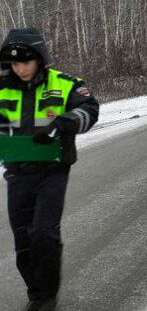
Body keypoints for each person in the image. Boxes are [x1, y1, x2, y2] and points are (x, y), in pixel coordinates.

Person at [0, 28, 99, 311]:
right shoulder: (2, 86)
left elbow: (89, 108)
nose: (21, 69)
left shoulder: (65, 83)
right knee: (23, 239)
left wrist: (63, 123)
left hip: (52, 171)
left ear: (40, 58)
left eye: (26, 62)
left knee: (44, 233)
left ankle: (47, 296)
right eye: (14, 63)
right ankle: (35, 291)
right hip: (17, 173)